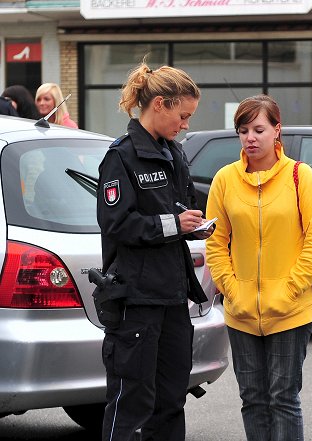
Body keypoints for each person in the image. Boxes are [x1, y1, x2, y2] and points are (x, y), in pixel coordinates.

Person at [96, 62, 212, 441]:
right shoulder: (121, 156)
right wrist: (173, 225)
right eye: (183, 115)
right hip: (136, 301)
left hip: (173, 298)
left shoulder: (174, 154)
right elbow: (116, 224)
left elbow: (179, 207)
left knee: (170, 400)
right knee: (132, 400)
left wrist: (194, 222)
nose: (186, 125)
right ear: (160, 104)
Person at [205, 94, 312, 441]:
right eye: (243, 130)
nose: (251, 138)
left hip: (290, 311)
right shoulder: (224, 180)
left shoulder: (300, 176)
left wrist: (289, 290)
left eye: (259, 129)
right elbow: (216, 241)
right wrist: (231, 289)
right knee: (252, 399)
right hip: (241, 311)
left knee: (283, 398)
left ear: (277, 130)